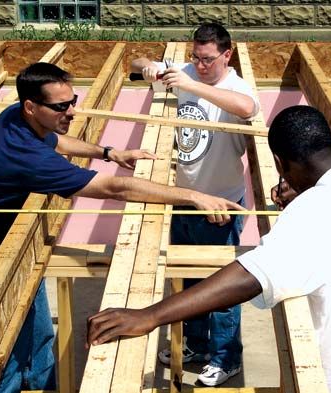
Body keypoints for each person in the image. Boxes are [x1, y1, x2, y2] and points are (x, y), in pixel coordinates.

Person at [87, 105, 331, 393]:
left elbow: (248, 275)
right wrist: (308, 192)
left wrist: (150, 315)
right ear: (330, 141)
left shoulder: (309, 215)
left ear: (280, 163)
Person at [0, 62, 243, 393]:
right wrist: (192, 196)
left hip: (20, 246)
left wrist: (109, 152)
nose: (71, 112)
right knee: (11, 363)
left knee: (39, 344)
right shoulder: (24, 155)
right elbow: (117, 190)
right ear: (31, 106)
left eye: (73, 101)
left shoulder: (15, 117)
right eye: (60, 107)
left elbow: (55, 141)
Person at [130, 22, 259, 386]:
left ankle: (226, 357)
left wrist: (192, 85)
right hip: (187, 198)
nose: (200, 65)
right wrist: (150, 67)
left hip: (220, 204)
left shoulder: (234, 86)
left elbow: (247, 106)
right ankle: (198, 345)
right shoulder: (185, 71)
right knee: (190, 281)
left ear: (227, 55)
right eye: (195, 58)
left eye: (207, 59)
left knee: (221, 288)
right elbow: (136, 62)